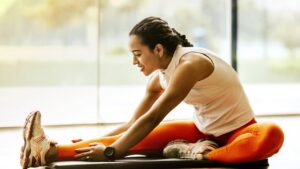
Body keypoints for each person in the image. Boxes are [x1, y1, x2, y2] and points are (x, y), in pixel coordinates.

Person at [20, 16, 284, 169]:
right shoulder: (159, 78)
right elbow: (134, 125)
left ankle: (201, 153)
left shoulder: (191, 64)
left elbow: (154, 116)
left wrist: (113, 153)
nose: (135, 62)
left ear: (158, 49)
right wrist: (91, 142)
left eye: (138, 54)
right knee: (129, 137)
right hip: (202, 131)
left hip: (240, 132)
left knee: (272, 134)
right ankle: (44, 151)